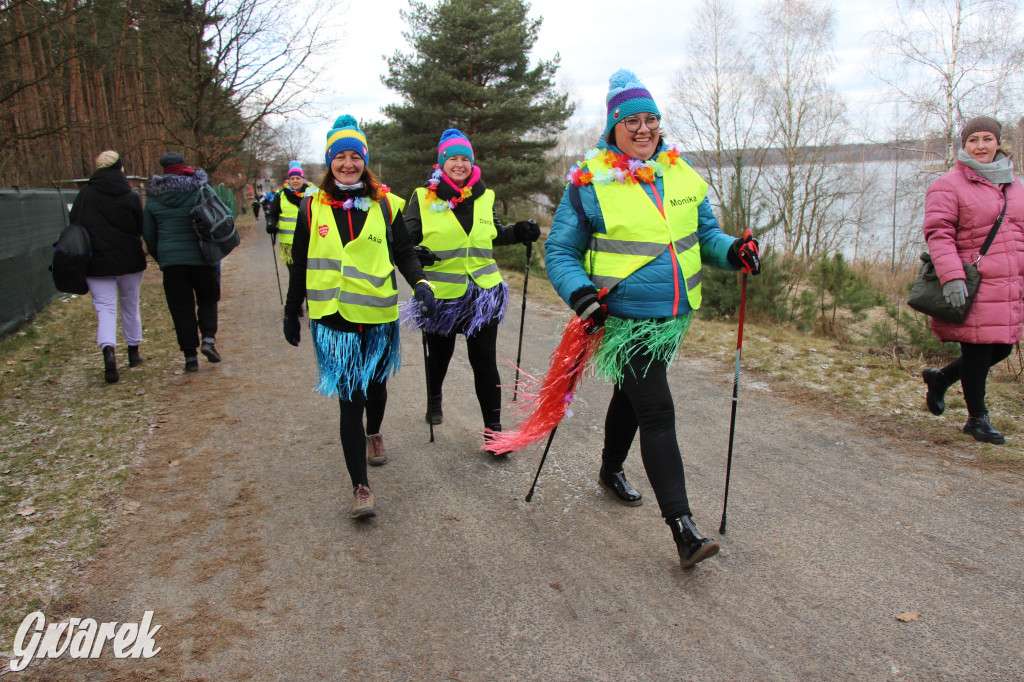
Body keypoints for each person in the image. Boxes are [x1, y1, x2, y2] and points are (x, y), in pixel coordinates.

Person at [544, 70, 761, 569]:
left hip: (672, 316)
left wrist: (736, 251)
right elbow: (560, 250)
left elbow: (705, 235)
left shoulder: (680, 173)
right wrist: (580, 294)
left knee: (630, 395)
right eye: (632, 121)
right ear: (613, 128)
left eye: (651, 120)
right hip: (623, 317)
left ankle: (609, 469)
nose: (644, 129)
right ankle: (683, 528)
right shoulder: (589, 182)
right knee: (658, 412)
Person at [282, 115, 436, 520]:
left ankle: (375, 432)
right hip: (333, 321)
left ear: (364, 161)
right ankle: (361, 486)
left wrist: (421, 284)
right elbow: (300, 263)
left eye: (355, 157)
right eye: (340, 157)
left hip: (377, 317)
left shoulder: (385, 204)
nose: (347, 164)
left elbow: (404, 252)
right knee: (350, 399)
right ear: (329, 161)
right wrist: (290, 310)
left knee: (376, 389)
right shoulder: (309, 207)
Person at [400, 128, 540, 447]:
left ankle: (494, 432)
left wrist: (518, 232)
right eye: (453, 158)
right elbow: (406, 243)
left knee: (484, 363)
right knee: (440, 357)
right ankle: (434, 397)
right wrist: (417, 252)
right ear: (442, 163)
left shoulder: (484, 196)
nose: (460, 164)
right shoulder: (423, 197)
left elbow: (492, 235)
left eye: (465, 158)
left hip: (482, 295)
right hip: (441, 297)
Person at [920, 116, 1023, 445]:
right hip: (971, 282)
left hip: (1007, 282)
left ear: (998, 143)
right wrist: (951, 277)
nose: (981, 145)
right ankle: (977, 419)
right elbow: (939, 234)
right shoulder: (948, 185)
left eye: (987, 139)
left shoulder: (1014, 184)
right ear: (964, 146)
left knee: (1003, 347)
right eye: (973, 140)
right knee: (978, 350)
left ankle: (942, 379)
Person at [69, 150, 147, 383]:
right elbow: (139, 227)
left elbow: (74, 225)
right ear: (121, 168)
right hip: (129, 260)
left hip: (96, 263)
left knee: (105, 309)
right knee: (130, 305)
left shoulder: (84, 195)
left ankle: (109, 354)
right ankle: (133, 353)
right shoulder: (130, 195)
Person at [142, 152, 223, 372]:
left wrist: (161, 256)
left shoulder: (153, 196)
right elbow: (218, 215)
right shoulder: (200, 187)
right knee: (207, 299)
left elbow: (149, 233)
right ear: (184, 165)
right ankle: (208, 339)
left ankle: (190, 356)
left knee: (181, 308)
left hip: (172, 261)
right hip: (203, 255)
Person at [267, 162, 312, 285]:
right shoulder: (281, 196)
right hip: (289, 245)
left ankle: (310, 303)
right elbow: (272, 214)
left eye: (298, 178)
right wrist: (270, 224)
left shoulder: (312, 195)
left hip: (308, 243)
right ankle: (297, 304)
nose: (295, 181)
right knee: (296, 276)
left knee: (310, 276)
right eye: (292, 178)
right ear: (288, 180)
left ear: (303, 179)